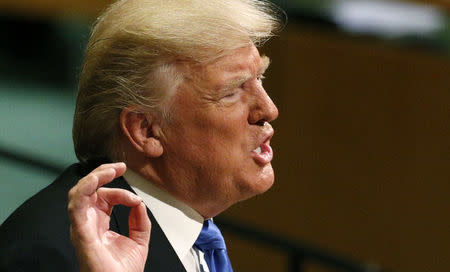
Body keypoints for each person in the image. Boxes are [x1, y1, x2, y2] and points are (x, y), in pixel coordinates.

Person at [0, 0, 283, 271]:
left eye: (259, 78)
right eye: (231, 92)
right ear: (146, 130)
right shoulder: (54, 254)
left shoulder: (195, 235)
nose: (269, 109)